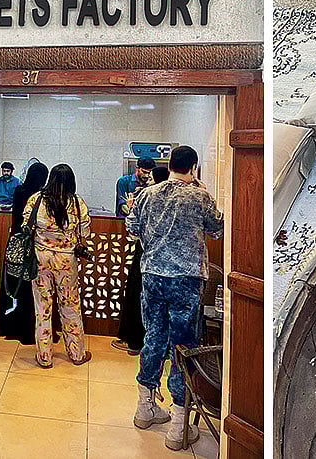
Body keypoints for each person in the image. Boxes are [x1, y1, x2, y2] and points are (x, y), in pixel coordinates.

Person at [128, 146, 224, 451]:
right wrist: (206, 193)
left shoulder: (147, 194)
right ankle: (178, 425)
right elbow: (218, 230)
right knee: (184, 346)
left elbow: (132, 228)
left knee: (153, 338)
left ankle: (145, 409)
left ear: (169, 165)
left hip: (153, 276)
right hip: (187, 279)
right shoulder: (199, 197)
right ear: (193, 167)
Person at [25, 163, 93, 368]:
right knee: (70, 306)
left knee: (42, 308)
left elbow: (25, 225)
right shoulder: (76, 202)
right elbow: (85, 232)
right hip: (66, 261)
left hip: (41, 259)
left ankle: (44, 357)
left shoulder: (36, 200)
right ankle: (76, 353)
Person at [113, 166, 170, 355]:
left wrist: (131, 209)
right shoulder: (173, 202)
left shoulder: (148, 198)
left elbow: (132, 228)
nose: (149, 181)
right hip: (167, 265)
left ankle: (135, 342)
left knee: (138, 296)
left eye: (152, 178)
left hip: (145, 257)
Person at [0, 161, 49, 345]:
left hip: (16, 244)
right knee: (29, 289)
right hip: (33, 247)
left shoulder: (19, 191)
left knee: (11, 285)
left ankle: (6, 325)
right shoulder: (41, 197)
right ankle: (27, 328)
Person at [110, 156, 157, 352]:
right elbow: (121, 206)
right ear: (137, 169)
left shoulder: (154, 190)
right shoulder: (123, 182)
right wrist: (128, 208)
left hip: (143, 247)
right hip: (125, 233)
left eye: (149, 173)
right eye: (144, 172)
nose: (146, 176)